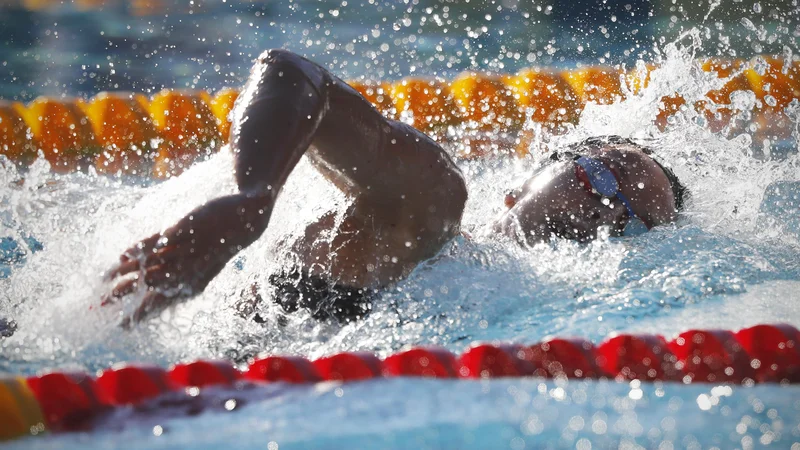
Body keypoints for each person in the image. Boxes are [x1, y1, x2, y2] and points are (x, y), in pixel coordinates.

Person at [103, 49, 686, 326]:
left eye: (633, 220)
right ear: (524, 180)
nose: (607, 210)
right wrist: (251, 200)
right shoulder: (434, 206)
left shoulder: (537, 323)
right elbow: (291, 72)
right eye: (605, 176)